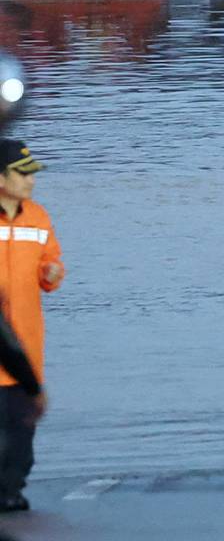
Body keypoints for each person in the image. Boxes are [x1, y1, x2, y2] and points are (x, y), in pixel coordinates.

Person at [0, 140, 61, 512]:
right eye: (23, 174)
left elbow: (51, 263)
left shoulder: (38, 217)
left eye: (32, 175)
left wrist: (52, 273)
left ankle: (11, 489)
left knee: (22, 428)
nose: (31, 182)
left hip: (24, 345)